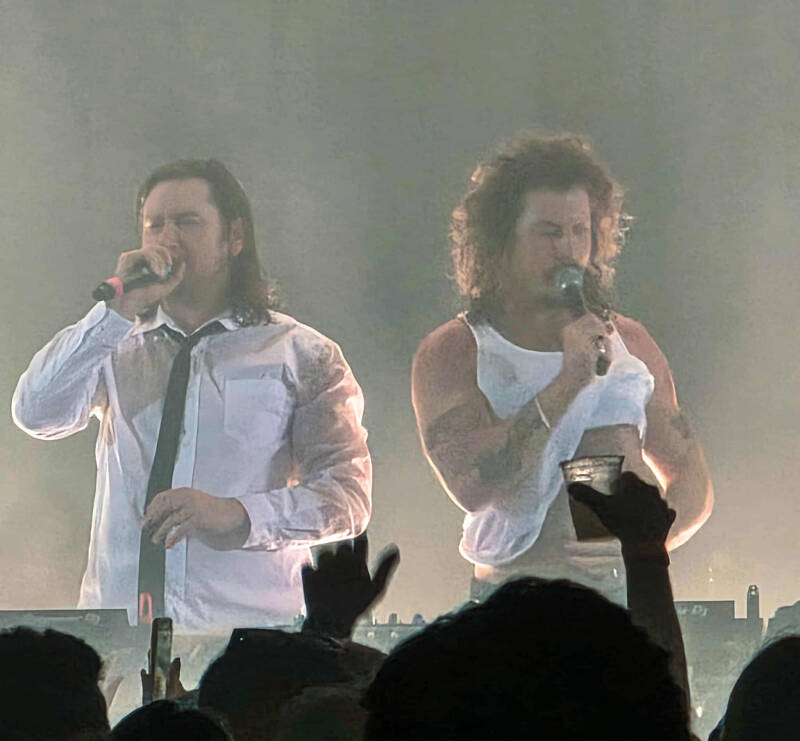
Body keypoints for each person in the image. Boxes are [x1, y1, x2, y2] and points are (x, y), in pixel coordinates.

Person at [12, 159, 371, 629]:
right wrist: (115, 311)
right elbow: (36, 412)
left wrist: (237, 515)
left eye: (187, 222)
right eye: (154, 225)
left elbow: (346, 497)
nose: (168, 239)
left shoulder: (301, 352)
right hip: (122, 633)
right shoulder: (114, 342)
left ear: (234, 237)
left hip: (246, 634)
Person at [411, 133, 713, 603]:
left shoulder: (630, 342)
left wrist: (651, 543)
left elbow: (691, 476)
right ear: (503, 240)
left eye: (579, 231)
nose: (568, 250)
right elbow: (472, 484)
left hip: (625, 597)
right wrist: (569, 380)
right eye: (549, 233)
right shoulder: (457, 349)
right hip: (513, 601)